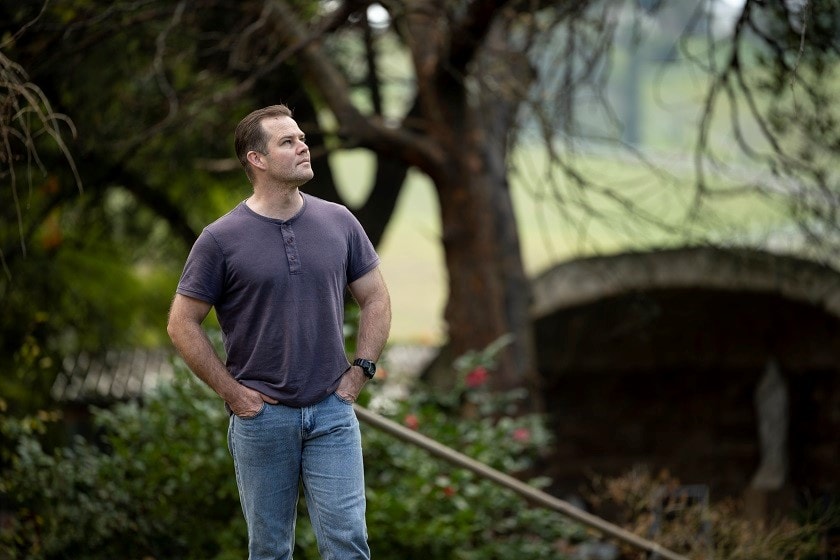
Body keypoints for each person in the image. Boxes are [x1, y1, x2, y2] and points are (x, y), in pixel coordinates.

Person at [167, 104, 391, 560]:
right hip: (262, 418)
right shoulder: (220, 239)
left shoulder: (339, 221)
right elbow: (181, 323)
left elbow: (376, 298)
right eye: (287, 142)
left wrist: (361, 371)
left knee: (349, 543)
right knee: (270, 550)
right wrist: (234, 394)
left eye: (301, 137)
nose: (303, 146)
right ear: (257, 159)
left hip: (332, 411)